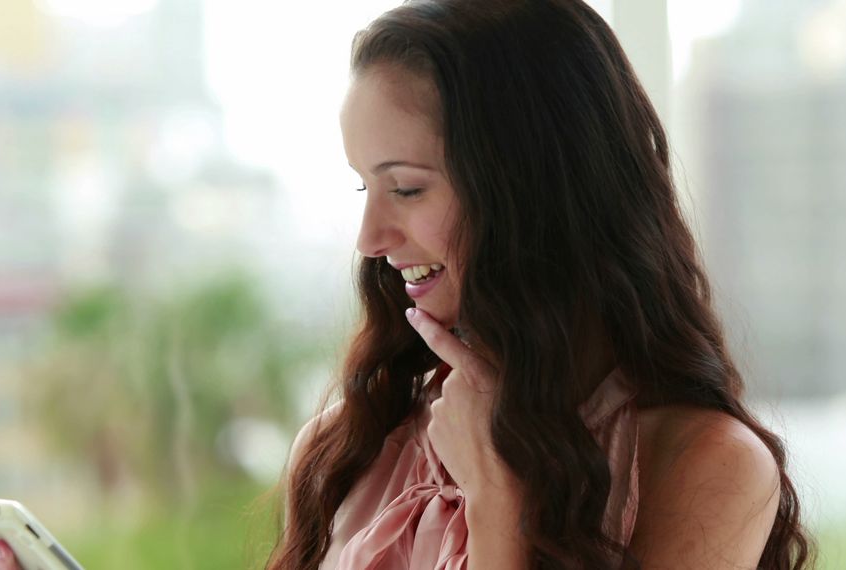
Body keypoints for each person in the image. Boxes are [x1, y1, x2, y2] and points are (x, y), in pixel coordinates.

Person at [266, 1, 813, 569]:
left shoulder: (703, 467)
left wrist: (497, 506)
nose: (369, 239)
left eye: (405, 189)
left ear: (534, 191)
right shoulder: (342, 450)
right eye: (364, 188)